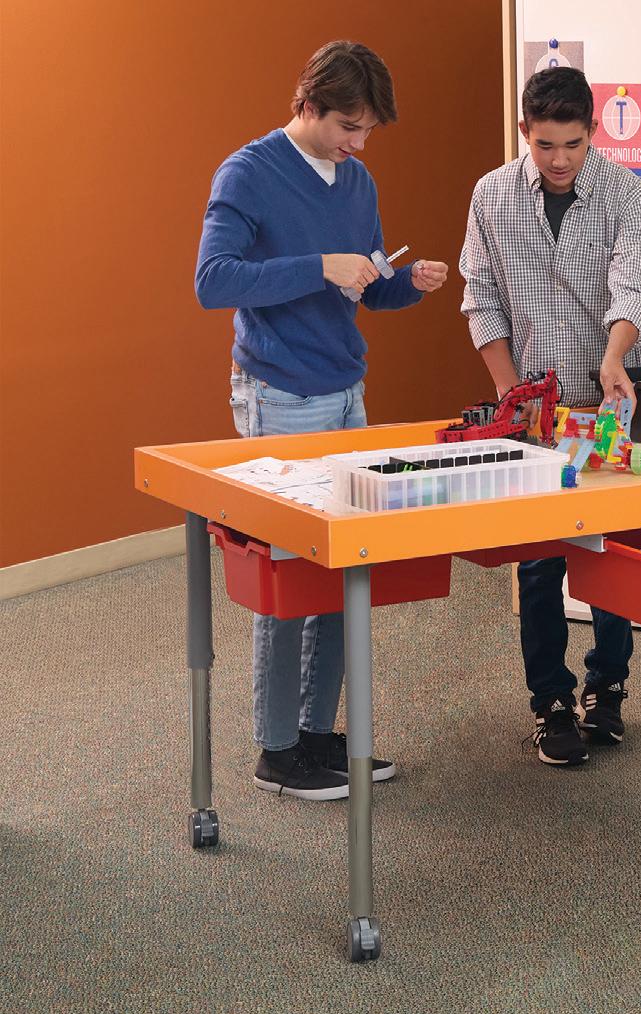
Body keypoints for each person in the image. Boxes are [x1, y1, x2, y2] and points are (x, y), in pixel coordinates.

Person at [195, 40, 448, 800]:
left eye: (367, 131)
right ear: (307, 104)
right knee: (286, 573)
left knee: (345, 567)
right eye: (347, 126)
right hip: (281, 396)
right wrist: (319, 267)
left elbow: (365, 288)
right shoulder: (248, 173)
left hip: (345, 393)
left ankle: (315, 734)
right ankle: (276, 750)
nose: (358, 144)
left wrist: (406, 282)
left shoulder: (357, 179)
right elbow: (213, 282)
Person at [459, 66, 641, 766]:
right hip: (532, 406)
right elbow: (481, 298)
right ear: (525, 132)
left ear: (593, 131)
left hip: (609, 395)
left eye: (573, 144)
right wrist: (512, 395)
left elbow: (634, 290)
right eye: (545, 145)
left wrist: (614, 358)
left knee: (608, 553)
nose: (560, 159)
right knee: (538, 560)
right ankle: (549, 700)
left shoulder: (626, 196)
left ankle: (608, 686)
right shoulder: (491, 195)